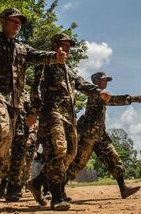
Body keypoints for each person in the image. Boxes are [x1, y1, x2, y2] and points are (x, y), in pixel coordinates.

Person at [0, 8, 67, 210]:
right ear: (2, 20)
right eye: (13, 20)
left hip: (15, 103)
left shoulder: (22, 47)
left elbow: (39, 55)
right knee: (1, 129)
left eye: (19, 22)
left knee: (3, 141)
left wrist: (56, 56)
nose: (17, 24)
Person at [28, 33, 111, 211]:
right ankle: (57, 197)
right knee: (58, 150)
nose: (67, 48)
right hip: (52, 114)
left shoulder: (69, 68)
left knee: (71, 154)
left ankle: (37, 182)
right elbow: (37, 87)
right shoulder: (45, 62)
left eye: (69, 46)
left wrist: (98, 92)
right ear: (55, 44)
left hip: (69, 117)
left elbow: (81, 84)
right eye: (64, 45)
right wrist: (34, 112)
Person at [65, 72, 141, 199]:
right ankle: (58, 188)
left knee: (114, 159)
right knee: (77, 165)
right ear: (95, 81)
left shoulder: (100, 94)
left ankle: (123, 189)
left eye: (107, 80)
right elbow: (113, 100)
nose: (106, 82)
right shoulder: (95, 94)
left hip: (100, 136)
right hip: (89, 136)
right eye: (103, 79)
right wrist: (132, 99)